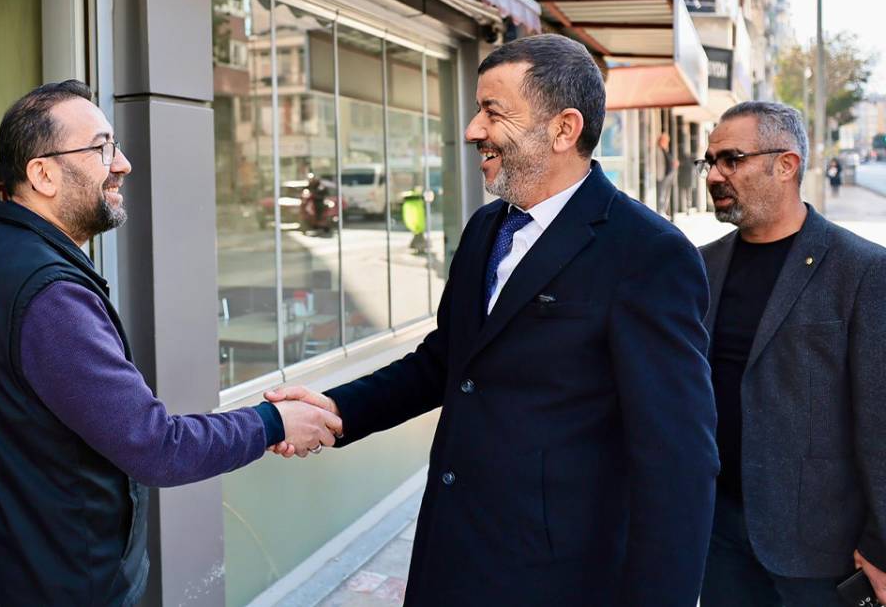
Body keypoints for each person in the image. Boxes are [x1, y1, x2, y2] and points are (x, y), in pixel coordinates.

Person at [268, 34, 719, 605]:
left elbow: (679, 462)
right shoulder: (486, 228)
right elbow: (445, 361)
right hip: (451, 557)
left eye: (492, 111)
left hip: (559, 579)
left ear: (564, 128)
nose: (472, 130)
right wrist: (335, 409)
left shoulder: (649, 254)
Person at [0, 80, 342, 606]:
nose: (123, 164)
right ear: (42, 173)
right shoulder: (49, 296)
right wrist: (273, 423)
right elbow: (155, 446)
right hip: (55, 584)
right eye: (101, 148)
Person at [695, 101, 886, 607]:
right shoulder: (698, 268)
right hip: (717, 537)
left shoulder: (863, 271)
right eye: (709, 161)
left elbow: (880, 418)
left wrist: (881, 543)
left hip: (822, 550)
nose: (714, 175)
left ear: (786, 165)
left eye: (731, 159)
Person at [658, 130, 680, 215]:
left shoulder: (665, 150)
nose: (666, 142)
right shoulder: (659, 150)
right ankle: (661, 212)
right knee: (662, 195)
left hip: (668, 175)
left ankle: (663, 211)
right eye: (665, 140)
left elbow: (669, 161)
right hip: (663, 176)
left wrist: (674, 163)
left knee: (666, 195)